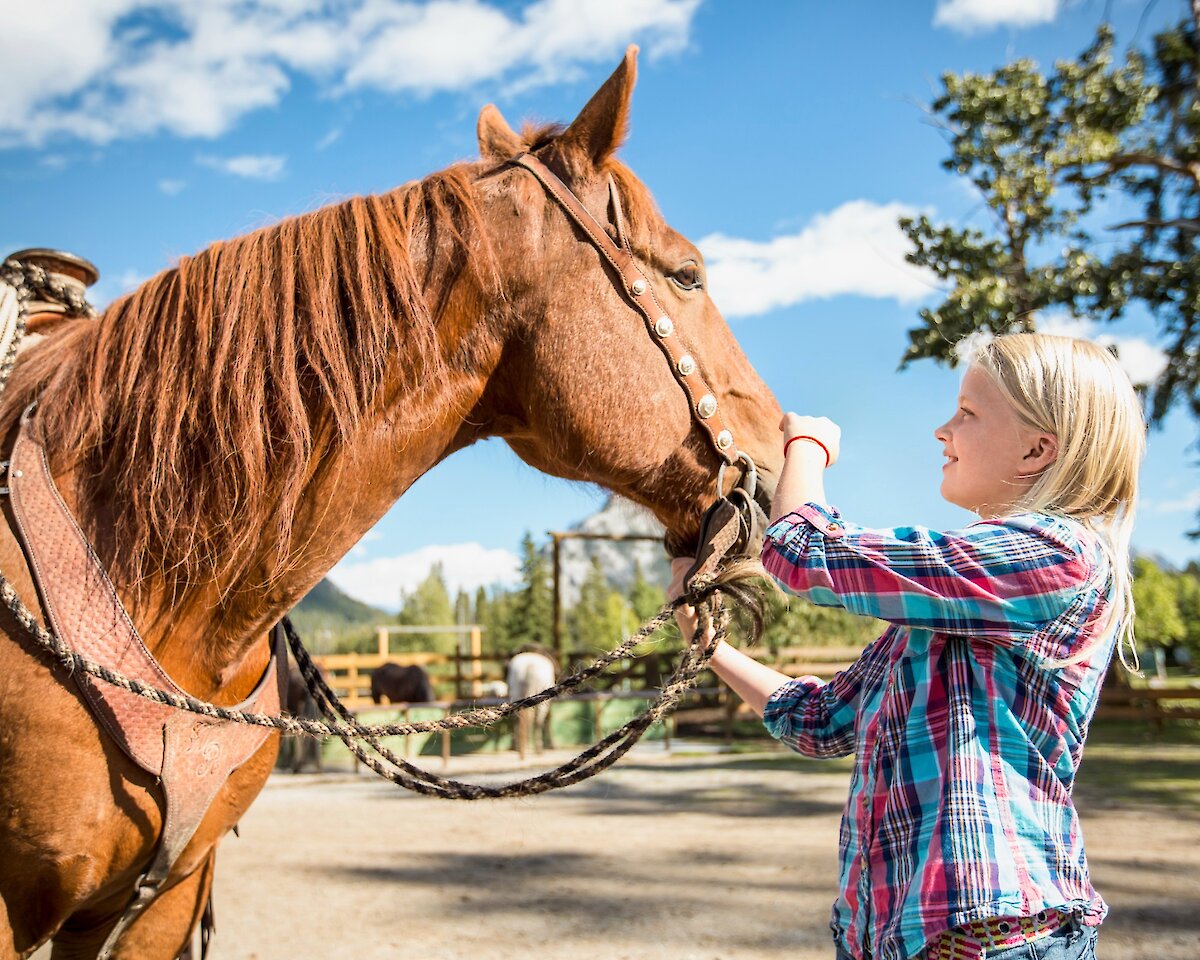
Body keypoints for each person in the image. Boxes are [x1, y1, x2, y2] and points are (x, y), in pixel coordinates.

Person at [670, 333, 1144, 960]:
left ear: (1038, 448)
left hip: (992, 938)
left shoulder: (1059, 557)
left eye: (968, 413)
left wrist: (804, 449)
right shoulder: (943, 618)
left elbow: (804, 553)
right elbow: (820, 721)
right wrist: (708, 645)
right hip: (890, 937)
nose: (942, 431)